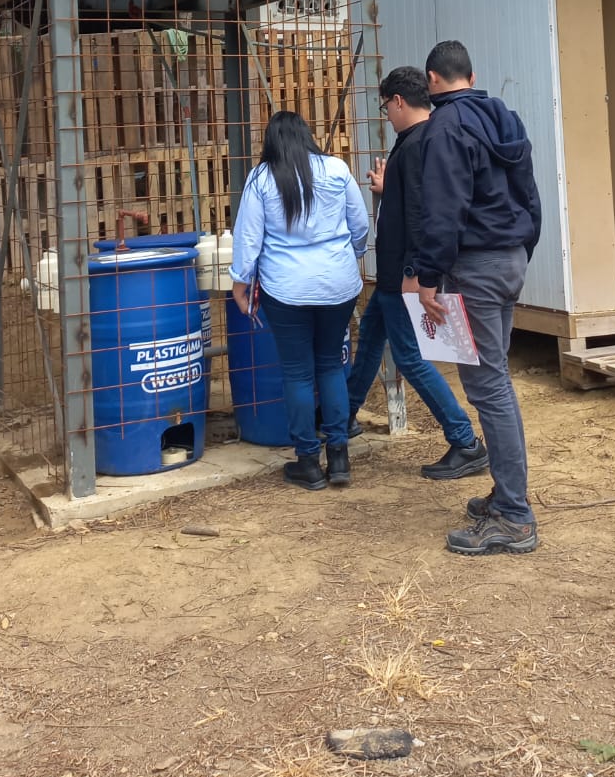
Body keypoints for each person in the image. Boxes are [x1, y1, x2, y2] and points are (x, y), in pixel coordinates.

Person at [413, 40, 542, 557]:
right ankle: (507, 496)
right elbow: (529, 193)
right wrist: (522, 248)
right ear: (471, 74)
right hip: (509, 258)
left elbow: (443, 210)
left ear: (432, 79)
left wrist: (427, 276)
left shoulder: (445, 127)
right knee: (496, 382)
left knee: (489, 388)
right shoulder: (505, 116)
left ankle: (514, 515)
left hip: (476, 265)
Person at [345, 66, 489, 480]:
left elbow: (426, 215)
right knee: (371, 338)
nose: (387, 116)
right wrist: (387, 191)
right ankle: (341, 417)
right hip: (395, 272)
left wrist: (413, 269)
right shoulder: (420, 140)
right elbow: (414, 202)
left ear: (398, 101)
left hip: (404, 274)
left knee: (410, 356)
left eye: (385, 107)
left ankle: (464, 440)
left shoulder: (418, 143)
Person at [230, 110, 369, 491]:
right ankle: (339, 456)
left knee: (297, 373)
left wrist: (241, 281)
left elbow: (248, 237)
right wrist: (349, 255)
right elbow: (360, 225)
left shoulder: (261, 178)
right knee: (330, 365)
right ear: (307, 136)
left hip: (286, 289)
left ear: (271, 142)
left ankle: (308, 461)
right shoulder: (337, 170)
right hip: (338, 285)